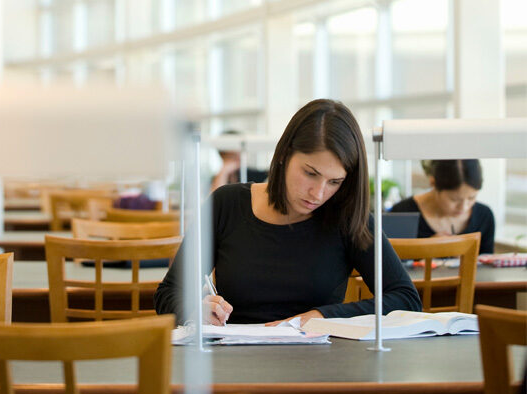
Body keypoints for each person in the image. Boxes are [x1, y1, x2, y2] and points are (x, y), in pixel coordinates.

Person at [154, 99, 422, 326]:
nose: (318, 193)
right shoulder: (226, 204)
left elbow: (406, 299)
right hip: (235, 363)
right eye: (310, 173)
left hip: (319, 368)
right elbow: (168, 294)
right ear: (284, 155)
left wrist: (321, 316)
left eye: (334, 182)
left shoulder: (348, 217)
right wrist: (195, 310)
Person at [391, 160, 495, 254]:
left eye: (471, 198)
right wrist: (425, 249)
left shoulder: (484, 216)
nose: (463, 207)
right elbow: (389, 266)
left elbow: (486, 263)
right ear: (433, 183)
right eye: (454, 199)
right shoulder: (401, 213)